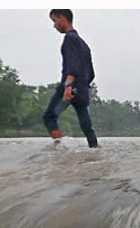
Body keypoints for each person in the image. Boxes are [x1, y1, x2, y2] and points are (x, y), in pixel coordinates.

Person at [43, 9, 99, 148]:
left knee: (49, 116)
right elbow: (91, 73)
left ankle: (59, 149)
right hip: (82, 89)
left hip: (70, 85)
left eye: (54, 20)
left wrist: (68, 86)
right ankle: (95, 149)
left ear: (62, 18)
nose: (54, 26)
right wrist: (83, 87)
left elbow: (72, 65)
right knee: (86, 125)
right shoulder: (83, 44)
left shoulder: (69, 38)